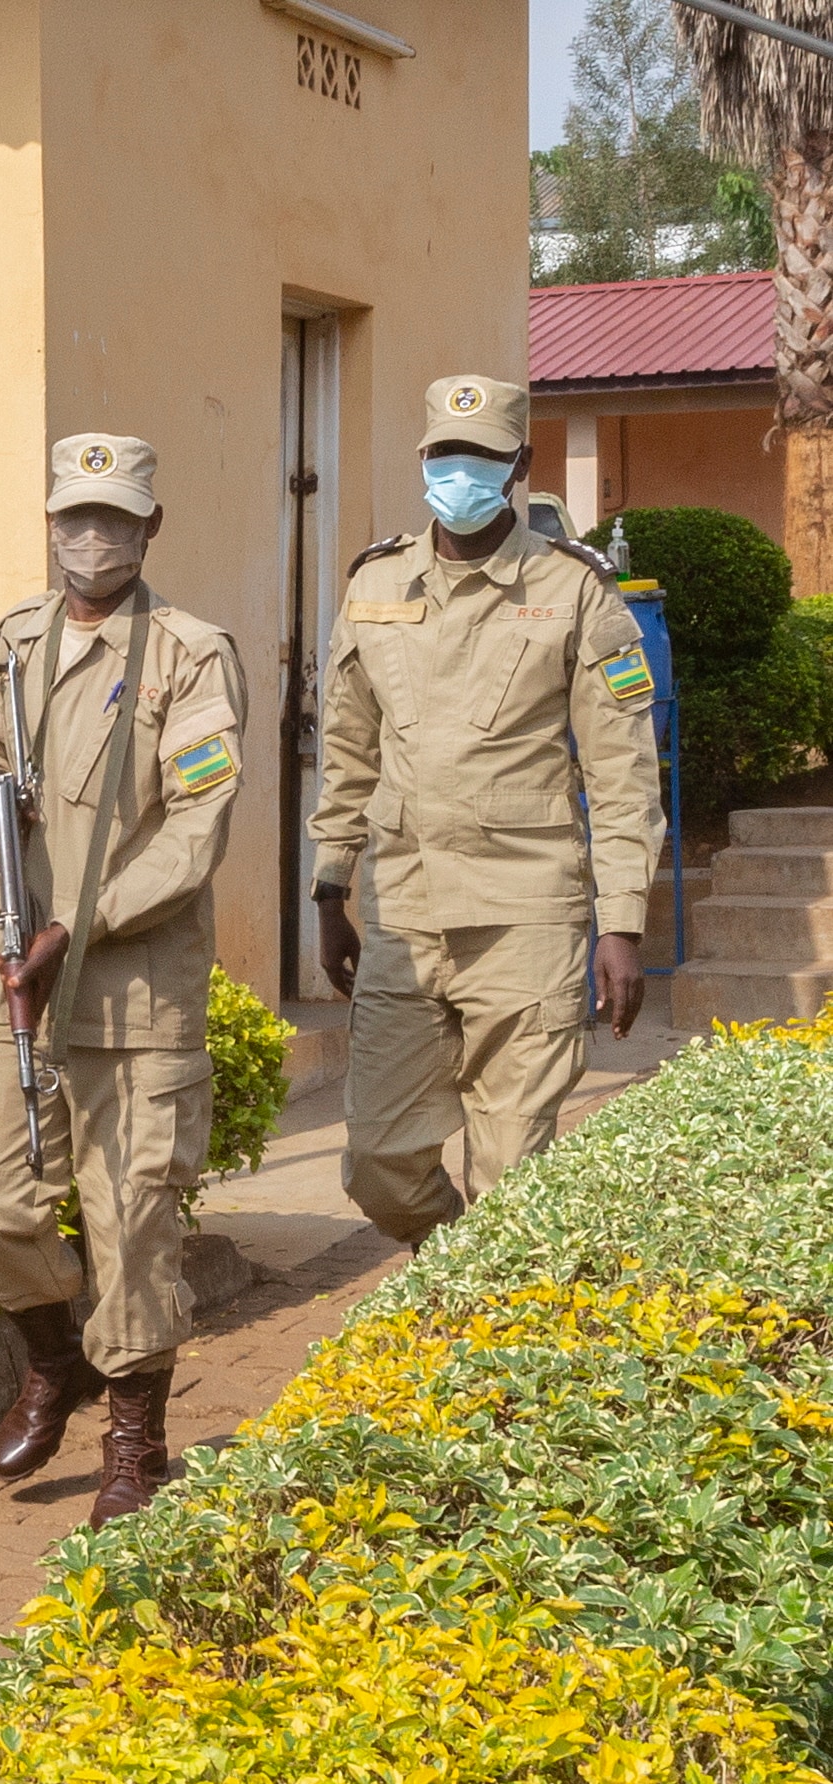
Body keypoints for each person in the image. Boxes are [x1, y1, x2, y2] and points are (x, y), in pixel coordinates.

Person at [0, 435, 247, 1527]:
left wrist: (87, 920)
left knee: (129, 1217)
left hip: (129, 975)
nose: (92, 537)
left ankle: (133, 1439)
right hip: (11, 959)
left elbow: (194, 829)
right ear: (50, 523)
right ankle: (50, 1356)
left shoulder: (188, 654)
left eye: (115, 519)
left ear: (149, 528)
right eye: (75, 516)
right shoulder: (5, 643)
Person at [311, 373, 661, 1246]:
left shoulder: (576, 592)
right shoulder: (375, 585)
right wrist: (328, 889)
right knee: (380, 1167)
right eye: (444, 455)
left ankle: (485, 1333)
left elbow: (622, 774)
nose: (458, 474)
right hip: (404, 913)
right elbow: (348, 751)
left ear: (518, 466)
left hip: (525, 918)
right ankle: (463, 1262)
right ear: (423, 458)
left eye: (480, 458)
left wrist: (620, 924)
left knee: (513, 1180)